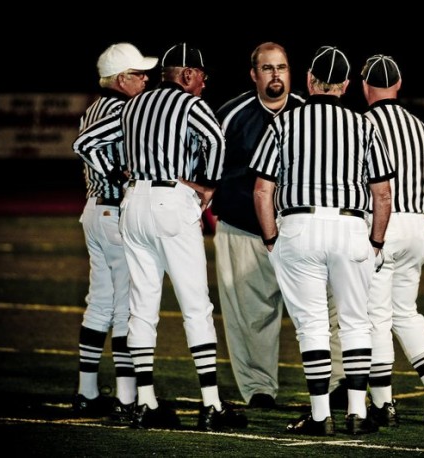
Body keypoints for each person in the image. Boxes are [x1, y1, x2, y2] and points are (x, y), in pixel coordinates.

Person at [73, 43, 248, 431]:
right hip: (171, 200)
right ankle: (211, 404)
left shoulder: (133, 106)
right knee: (195, 306)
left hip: (133, 202)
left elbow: (84, 144)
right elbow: (216, 142)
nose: (203, 83)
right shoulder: (189, 104)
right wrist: (208, 187)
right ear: (187, 75)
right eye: (201, 76)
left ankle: (145, 402)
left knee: (141, 306)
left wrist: (119, 173)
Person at [251, 46, 394, 436]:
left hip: (300, 225)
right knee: (355, 322)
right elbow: (383, 193)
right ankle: (358, 413)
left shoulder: (284, 123)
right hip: (350, 227)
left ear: (310, 80)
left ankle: (319, 415)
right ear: (346, 85)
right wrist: (376, 243)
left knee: (312, 324)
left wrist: (271, 240)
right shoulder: (366, 126)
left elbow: (263, 191)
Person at [211, 42, 346, 410]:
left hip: (299, 230)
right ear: (253, 74)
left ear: (292, 72)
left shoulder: (309, 112)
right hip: (243, 229)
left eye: (282, 67)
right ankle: (258, 389)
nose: (275, 75)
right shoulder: (230, 115)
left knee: (326, 308)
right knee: (250, 316)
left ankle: (338, 384)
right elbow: (205, 169)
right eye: (267, 68)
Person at [359, 55, 424, 426]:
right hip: (417, 224)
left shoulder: (362, 124)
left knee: (376, 316)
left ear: (366, 86)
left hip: (383, 226)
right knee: (406, 311)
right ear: (398, 85)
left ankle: (383, 403)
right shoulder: (420, 127)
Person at [71, 42, 158, 423]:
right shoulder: (125, 108)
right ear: (122, 78)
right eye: (139, 74)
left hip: (93, 210)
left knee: (101, 301)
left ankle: (87, 391)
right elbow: (89, 148)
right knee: (126, 305)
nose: (146, 79)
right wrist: (117, 173)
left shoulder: (93, 106)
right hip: (116, 211)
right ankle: (126, 397)